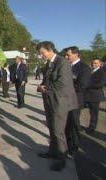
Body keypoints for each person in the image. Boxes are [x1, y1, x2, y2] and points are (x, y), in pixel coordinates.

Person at [36, 41, 78, 171]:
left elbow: (62, 84)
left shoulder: (62, 62)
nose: (41, 55)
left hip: (60, 102)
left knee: (58, 131)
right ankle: (52, 151)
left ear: (49, 50)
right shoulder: (50, 63)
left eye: (42, 53)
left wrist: (45, 88)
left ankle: (61, 159)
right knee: (52, 128)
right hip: (50, 101)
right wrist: (42, 86)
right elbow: (47, 79)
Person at [65, 46, 91, 156]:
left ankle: (74, 148)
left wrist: (64, 88)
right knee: (66, 124)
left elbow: (82, 85)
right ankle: (66, 145)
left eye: (68, 55)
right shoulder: (66, 66)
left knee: (74, 124)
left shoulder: (84, 68)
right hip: (64, 100)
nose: (66, 57)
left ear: (76, 54)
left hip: (75, 101)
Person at [85, 58, 106, 133]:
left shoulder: (102, 72)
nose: (94, 64)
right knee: (91, 112)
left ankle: (92, 127)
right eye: (93, 63)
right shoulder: (90, 71)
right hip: (88, 95)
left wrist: (87, 85)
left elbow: (101, 84)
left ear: (100, 64)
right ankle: (91, 126)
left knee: (94, 113)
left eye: (96, 63)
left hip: (95, 95)